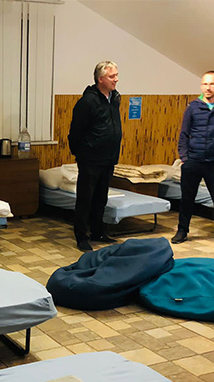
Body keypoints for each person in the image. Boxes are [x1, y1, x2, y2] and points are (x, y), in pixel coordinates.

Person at [173, 70, 214, 245]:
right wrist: (184, 157)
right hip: (193, 160)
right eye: (205, 84)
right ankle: (182, 230)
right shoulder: (193, 106)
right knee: (187, 198)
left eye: (212, 84)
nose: (208, 88)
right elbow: (184, 133)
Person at [68, 61, 124, 252]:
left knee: (101, 197)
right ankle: (81, 236)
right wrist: (81, 153)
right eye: (112, 76)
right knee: (86, 198)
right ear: (100, 79)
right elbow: (75, 131)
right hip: (90, 159)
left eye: (116, 75)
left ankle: (98, 232)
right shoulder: (88, 102)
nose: (116, 79)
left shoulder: (115, 98)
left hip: (109, 158)